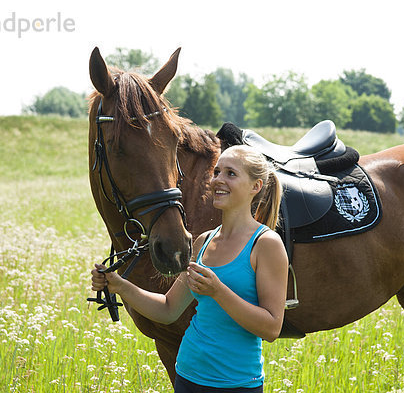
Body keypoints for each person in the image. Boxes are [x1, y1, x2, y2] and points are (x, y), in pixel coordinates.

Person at [91, 145, 289, 392]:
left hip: (237, 384)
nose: (218, 179)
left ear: (255, 186)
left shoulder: (266, 244)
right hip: (187, 375)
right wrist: (118, 285)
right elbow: (168, 309)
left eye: (231, 173)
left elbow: (271, 328)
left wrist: (218, 291)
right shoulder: (203, 241)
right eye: (217, 172)